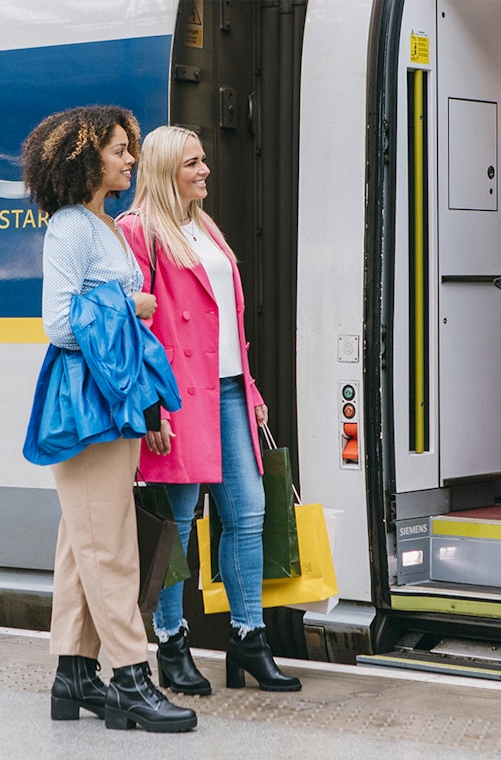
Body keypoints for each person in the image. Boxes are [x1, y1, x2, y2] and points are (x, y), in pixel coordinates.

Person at [21, 106, 197, 733]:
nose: (130, 158)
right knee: (111, 547)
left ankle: (72, 676)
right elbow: (60, 322)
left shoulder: (106, 227)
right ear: (86, 157)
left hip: (113, 399)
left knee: (81, 544)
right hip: (84, 404)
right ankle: (128, 678)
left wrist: (150, 406)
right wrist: (130, 302)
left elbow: (126, 335)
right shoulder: (71, 227)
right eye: (120, 149)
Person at [116, 125, 301, 695]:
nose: (205, 171)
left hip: (226, 391)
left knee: (247, 510)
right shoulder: (139, 232)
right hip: (176, 398)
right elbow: (137, 326)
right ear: (168, 170)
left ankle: (249, 639)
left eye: (204, 161)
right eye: (193, 163)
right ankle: (171, 642)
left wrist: (252, 390)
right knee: (174, 524)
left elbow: (229, 323)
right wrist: (153, 409)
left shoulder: (204, 229)